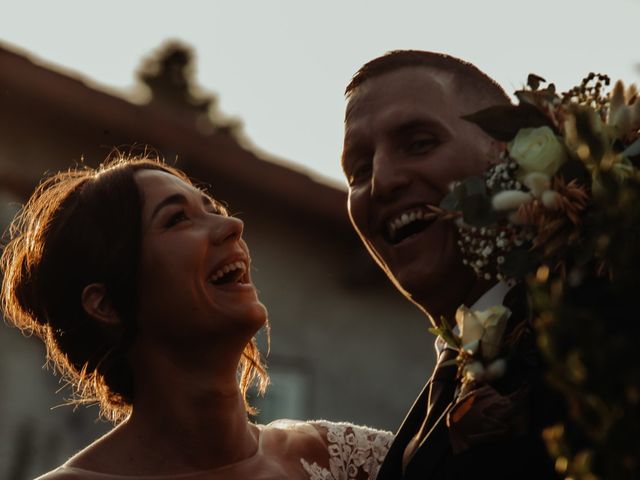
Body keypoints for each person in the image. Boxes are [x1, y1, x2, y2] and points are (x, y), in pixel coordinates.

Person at [1, 156, 393, 479]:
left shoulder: (349, 462)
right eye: (177, 219)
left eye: (215, 210)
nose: (232, 226)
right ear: (105, 305)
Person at [341, 50, 562, 479]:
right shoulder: (434, 400)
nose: (382, 181)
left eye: (420, 143)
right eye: (359, 169)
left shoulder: (588, 333)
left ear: (511, 157)